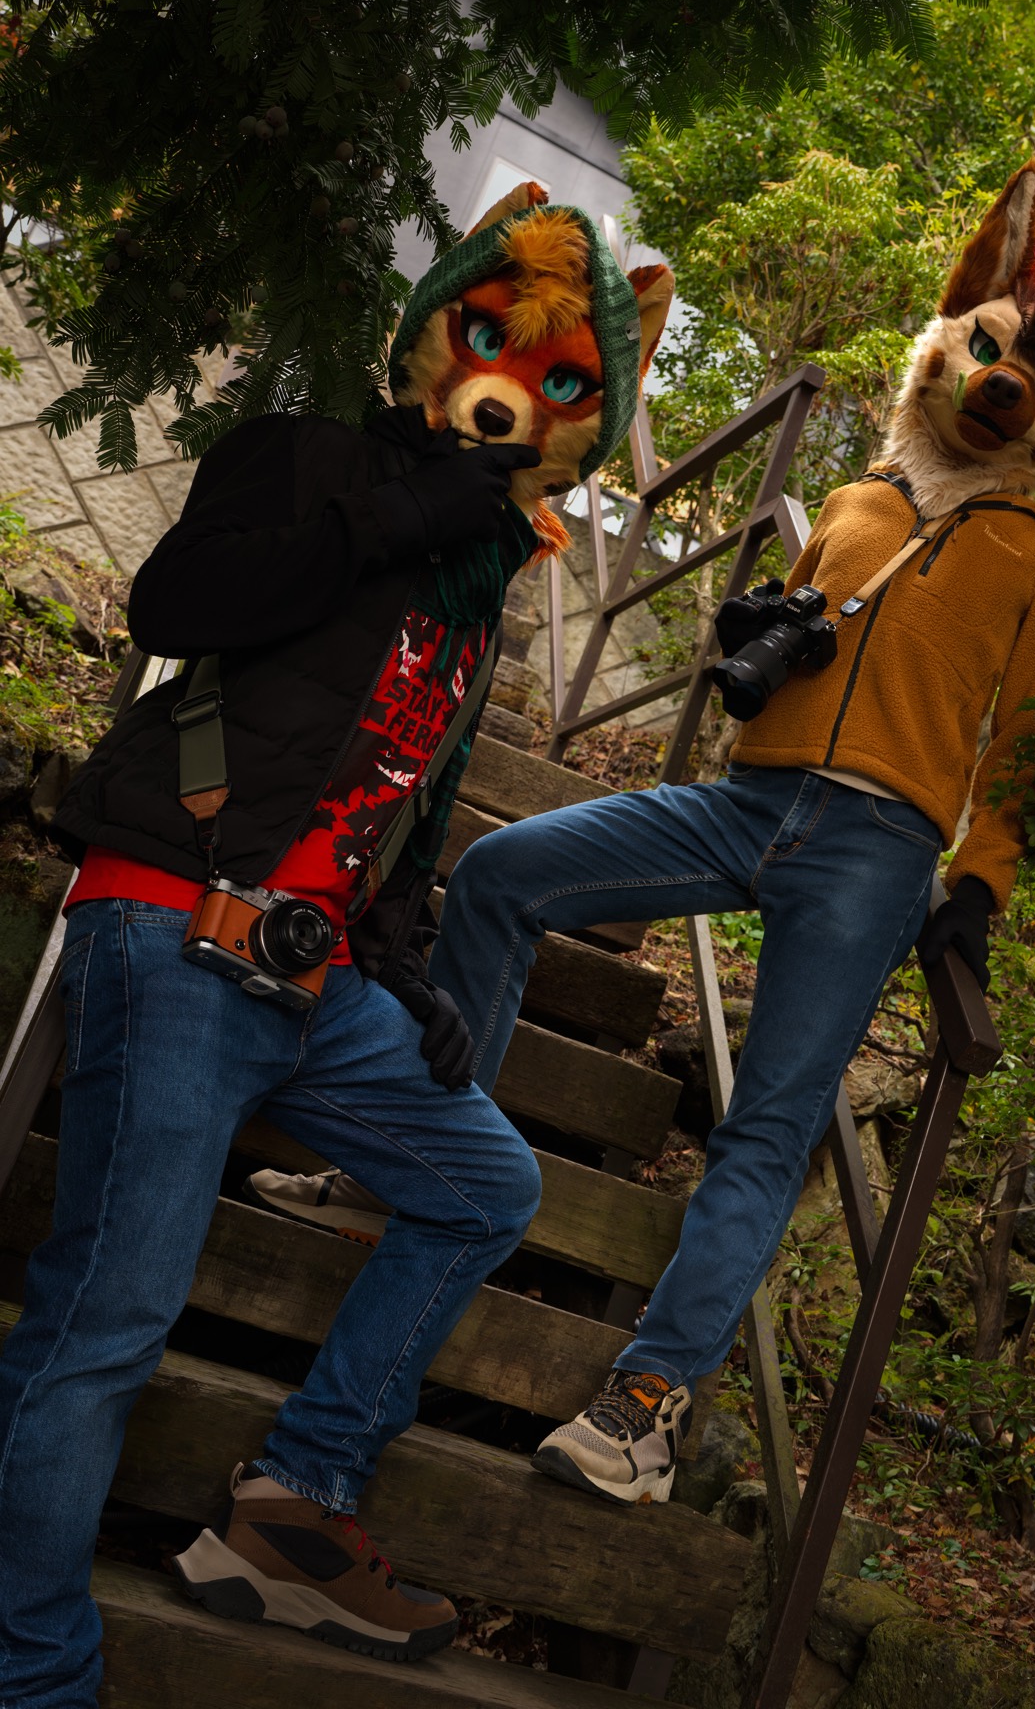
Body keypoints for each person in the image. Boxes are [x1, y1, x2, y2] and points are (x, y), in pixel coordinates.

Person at [434, 161, 1035, 1505]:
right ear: (950, 344)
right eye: (991, 351)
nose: (1006, 385)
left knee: (768, 1123)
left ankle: (646, 1409)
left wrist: (981, 884)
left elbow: (1028, 743)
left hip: (875, 853)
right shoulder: (858, 501)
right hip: (749, 799)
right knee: (502, 872)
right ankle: (422, 1151)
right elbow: (783, 636)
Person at [0, 184, 672, 1705]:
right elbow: (175, 602)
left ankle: (295, 1503)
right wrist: (389, 515)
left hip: (316, 976)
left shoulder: (482, 577)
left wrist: (407, 957)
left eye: (559, 380)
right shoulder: (311, 456)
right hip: (173, 924)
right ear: (437, 331)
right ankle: (36, 1671)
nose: (510, 390)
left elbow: (403, 777)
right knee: (107, 1326)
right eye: (490, 342)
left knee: (486, 1186)